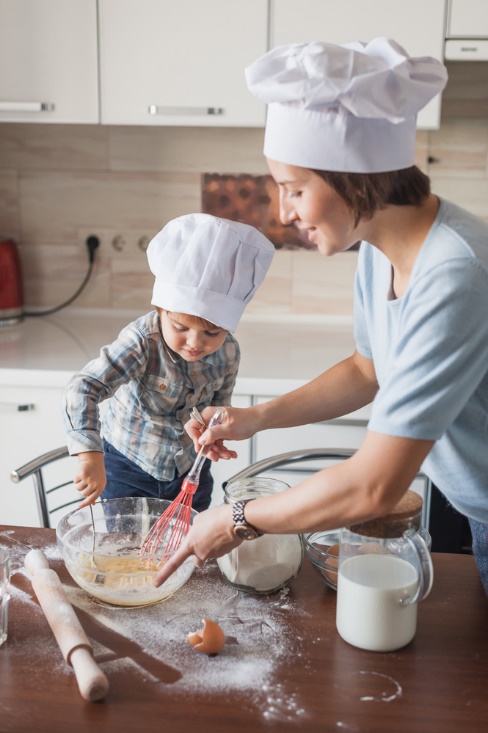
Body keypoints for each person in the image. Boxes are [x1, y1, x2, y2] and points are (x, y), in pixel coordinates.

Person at [153, 37, 488, 597]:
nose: (284, 212)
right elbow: (366, 370)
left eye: (295, 189)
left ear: (354, 176)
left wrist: (239, 519)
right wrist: (253, 418)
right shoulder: (381, 248)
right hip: (470, 500)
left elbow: (376, 486)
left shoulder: (455, 272)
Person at [62, 213, 274, 512]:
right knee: (127, 551)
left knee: (187, 549)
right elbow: (84, 387)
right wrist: (89, 455)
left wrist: (212, 434)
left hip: (190, 471)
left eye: (212, 332)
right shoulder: (142, 341)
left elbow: (217, 409)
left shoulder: (228, 352)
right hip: (127, 468)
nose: (196, 343)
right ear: (160, 311)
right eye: (180, 328)